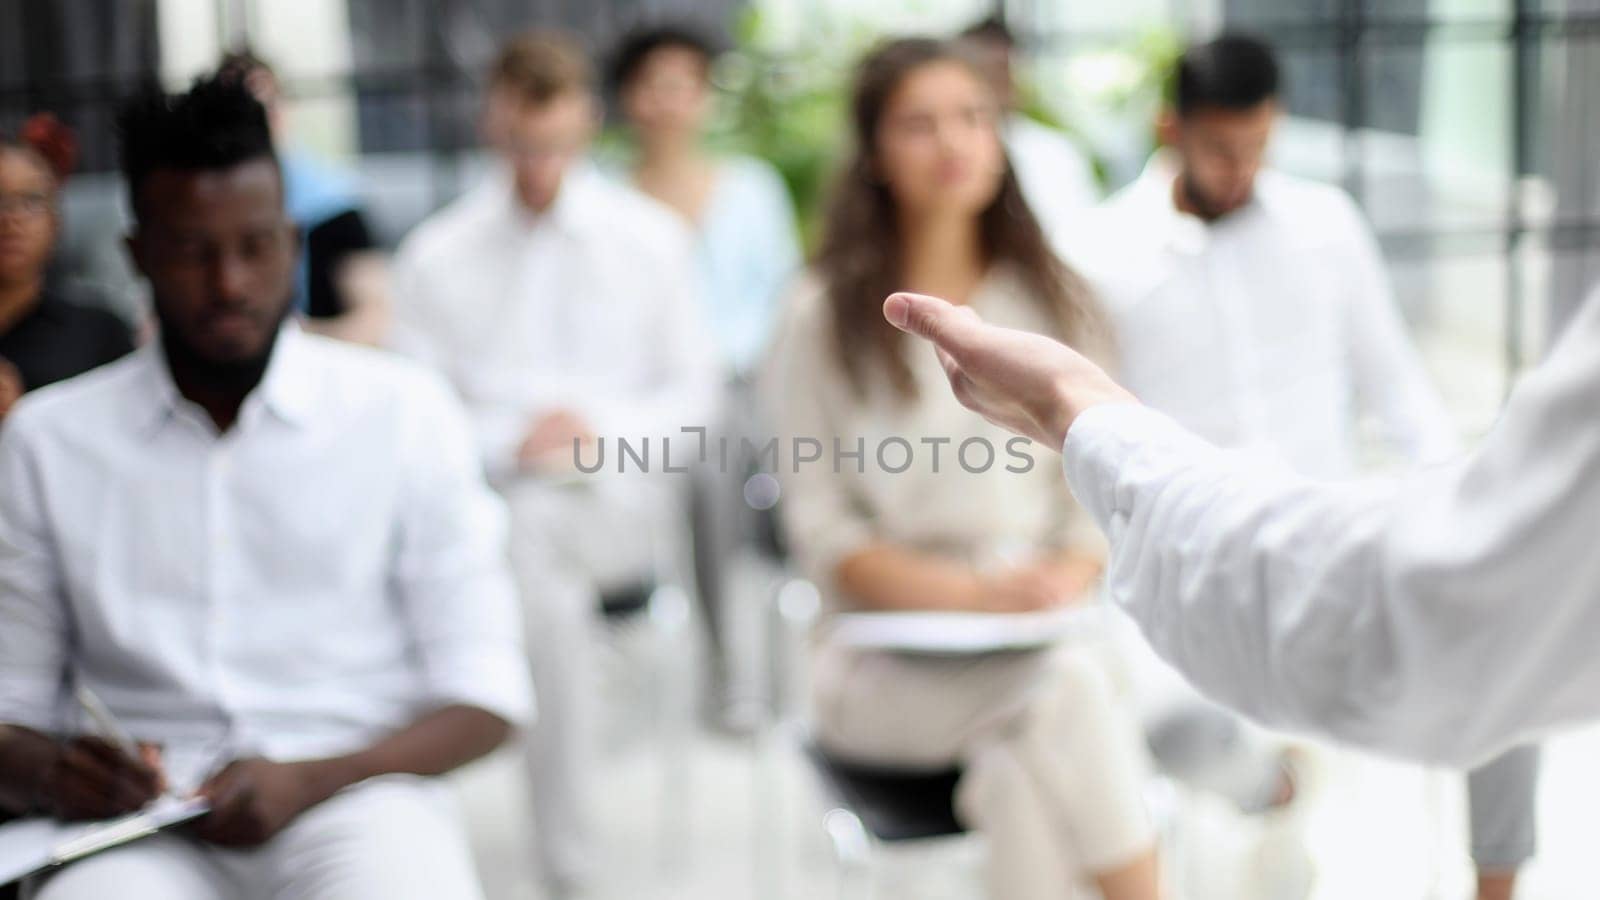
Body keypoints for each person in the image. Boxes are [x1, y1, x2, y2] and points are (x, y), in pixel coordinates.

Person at [0, 76, 530, 899]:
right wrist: (57, 771)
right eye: (192, 251)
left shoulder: (402, 412)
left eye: (255, 247)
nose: (230, 284)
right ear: (139, 254)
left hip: (358, 795)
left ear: (293, 241)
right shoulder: (49, 441)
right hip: (138, 827)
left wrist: (315, 776)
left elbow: (487, 694)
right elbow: (12, 704)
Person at [1062, 34, 1539, 899]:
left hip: (1329, 539)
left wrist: (1460, 502)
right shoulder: (1101, 253)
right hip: (1191, 555)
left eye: (1257, 145)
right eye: (1218, 148)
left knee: (1505, 653)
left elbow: (1395, 384)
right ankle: (1273, 793)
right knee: (1173, 730)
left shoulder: (1325, 226)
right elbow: (1092, 431)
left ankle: (1497, 888)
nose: (1239, 167)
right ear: (1171, 126)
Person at [882, 250, 1600, 767]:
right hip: (1172, 552)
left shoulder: (1319, 227)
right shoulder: (1106, 248)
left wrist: (1077, 409)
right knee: (1059, 733)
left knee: (1059, 723)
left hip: (1207, 542)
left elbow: (1413, 603)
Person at [769, 38, 1159, 900]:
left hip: (1042, 632)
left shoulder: (1058, 300)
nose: (954, 143)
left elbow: (1099, 487)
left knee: (1022, 771)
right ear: (873, 155)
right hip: (880, 665)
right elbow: (824, 534)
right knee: (1068, 694)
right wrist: (981, 595)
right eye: (920, 124)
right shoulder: (818, 316)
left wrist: (1061, 572)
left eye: (973, 119)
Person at [390, 30, 717, 896]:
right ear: (492, 128)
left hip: (616, 497)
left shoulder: (648, 241)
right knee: (528, 566)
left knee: (531, 564)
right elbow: (416, 420)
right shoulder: (436, 254)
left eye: (557, 147)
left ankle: (560, 856)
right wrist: (510, 442)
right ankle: (554, 855)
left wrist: (598, 428)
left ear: (586, 129)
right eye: (522, 146)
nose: (539, 167)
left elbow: (697, 403)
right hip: (484, 500)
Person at [607, 22, 802, 728]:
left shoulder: (750, 188)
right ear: (628, 98)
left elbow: (783, 304)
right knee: (709, 458)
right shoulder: (603, 199)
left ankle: (742, 667)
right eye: (653, 86)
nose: (669, 102)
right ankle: (736, 670)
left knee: (720, 447)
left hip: (746, 386)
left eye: (685, 86)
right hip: (647, 399)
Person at [215, 49, 391, 346]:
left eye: (263, 108)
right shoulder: (200, 210)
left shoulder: (334, 206)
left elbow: (375, 320)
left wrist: (296, 342)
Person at [0, 114, 135, 423]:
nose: (11, 219)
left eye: (30, 201)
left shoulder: (99, 332)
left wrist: (25, 419)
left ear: (56, 220)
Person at [959, 16, 1099, 240]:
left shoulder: (1056, 153)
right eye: (986, 68)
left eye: (1005, 68)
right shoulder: (946, 151)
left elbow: (1082, 237)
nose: (999, 79)